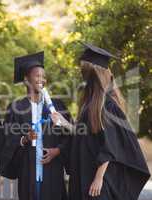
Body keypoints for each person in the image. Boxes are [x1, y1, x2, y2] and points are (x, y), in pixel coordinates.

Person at [51, 43, 151, 200]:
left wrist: (98, 178)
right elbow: (87, 136)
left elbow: (110, 146)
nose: (80, 71)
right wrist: (65, 123)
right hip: (84, 173)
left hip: (97, 180)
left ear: (93, 73)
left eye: (83, 68)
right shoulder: (91, 103)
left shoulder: (107, 105)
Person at [0, 51, 72, 200]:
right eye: (37, 75)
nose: (42, 79)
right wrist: (25, 139)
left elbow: (71, 136)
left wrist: (57, 151)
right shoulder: (16, 107)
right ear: (26, 80)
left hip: (53, 171)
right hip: (28, 171)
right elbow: (6, 139)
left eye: (44, 76)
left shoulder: (57, 106)